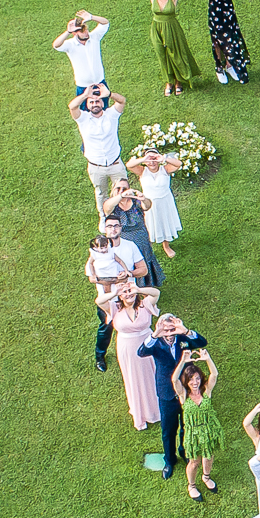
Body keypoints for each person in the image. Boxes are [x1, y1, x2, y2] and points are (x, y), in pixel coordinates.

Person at [138, 313, 206, 480]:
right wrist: (155, 334)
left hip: (186, 391)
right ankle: (169, 460)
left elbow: (202, 342)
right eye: (166, 330)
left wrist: (186, 331)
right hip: (166, 392)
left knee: (186, 426)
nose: (169, 334)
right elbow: (141, 352)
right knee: (168, 430)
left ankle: (184, 451)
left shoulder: (184, 339)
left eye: (172, 329)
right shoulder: (156, 343)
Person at [85, 220, 146, 372]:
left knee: (137, 323)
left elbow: (143, 270)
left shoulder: (129, 246)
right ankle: (100, 356)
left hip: (129, 295)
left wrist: (128, 273)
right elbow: (92, 277)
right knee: (106, 327)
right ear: (105, 229)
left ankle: (143, 353)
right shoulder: (96, 255)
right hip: (109, 298)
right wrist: (112, 281)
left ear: (121, 227)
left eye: (116, 225)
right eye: (110, 226)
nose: (113, 229)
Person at [185, 0, 249, 85]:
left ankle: (229, 65)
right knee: (218, 42)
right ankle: (219, 68)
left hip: (229, 14)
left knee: (232, 39)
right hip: (215, 16)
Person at [107, 279, 162, 430]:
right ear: (120, 296)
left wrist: (137, 288)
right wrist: (115, 293)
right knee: (134, 378)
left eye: (130, 291)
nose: (128, 294)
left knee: (154, 374)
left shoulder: (145, 305)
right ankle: (142, 413)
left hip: (149, 344)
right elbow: (99, 300)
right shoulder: (115, 308)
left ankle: (159, 408)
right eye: (125, 293)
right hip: (128, 349)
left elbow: (156, 293)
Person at [138, 0, 202, 97]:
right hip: (156, 28)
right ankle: (169, 82)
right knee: (162, 55)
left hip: (172, 28)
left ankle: (178, 81)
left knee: (175, 53)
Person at [172, 353, 224, 503]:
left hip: (208, 430)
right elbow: (174, 379)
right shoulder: (183, 395)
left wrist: (207, 358)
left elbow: (214, 374)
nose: (195, 382)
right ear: (187, 381)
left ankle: (206, 476)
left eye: (197, 378)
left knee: (209, 455)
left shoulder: (206, 392)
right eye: (191, 379)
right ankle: (192, 485)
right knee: (194, 461)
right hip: (193, 433)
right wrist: (183, 361)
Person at [69, 85, 128, 215]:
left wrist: (109, 94)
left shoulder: (111, 115)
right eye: (91, 102)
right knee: (101, 193)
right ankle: (104, 216)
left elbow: (122, 101)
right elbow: (72, 106)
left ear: (102, 102)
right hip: (96, 166)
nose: (95, 104)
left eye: (98, 101)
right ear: (88, 105)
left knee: (122, 192)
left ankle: (123, 215)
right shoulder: (83, 119)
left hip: (115, 163)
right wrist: (85, 95)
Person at [102, 179, 163, 288]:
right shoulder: (112, 205)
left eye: (124, 189)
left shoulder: (135, 202)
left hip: (140, 238)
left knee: (144, 261)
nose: (121, 191)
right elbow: (106, 207)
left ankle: (146, 287)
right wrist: (121, 196)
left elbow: (147, 206)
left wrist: (143, 199)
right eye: (118, 188)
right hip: (123, 240)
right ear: (113, 190)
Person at [127, 148, 183, 259]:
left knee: (164, 222)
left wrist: (164, 158)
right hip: (149, 203)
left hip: (165, 202)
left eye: (154, 159)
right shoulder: (142, 171)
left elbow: (178, 164)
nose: (152, 162)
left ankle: (166, 246)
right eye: (149, 160)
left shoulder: (165, 169)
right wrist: (144, 159)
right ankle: (148, 247)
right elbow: (129, 165)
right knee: (149, 224)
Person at [54, 10, 109, 93]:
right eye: (82, 31)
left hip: (100, 84)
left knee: (104, 106)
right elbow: (56, 45)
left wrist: (91, 17)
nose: (86, 33)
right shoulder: (70, 44)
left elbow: (105, 23)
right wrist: (67, 32)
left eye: (86, 29)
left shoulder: (94, 37)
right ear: (75, 33)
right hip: (83, 87)